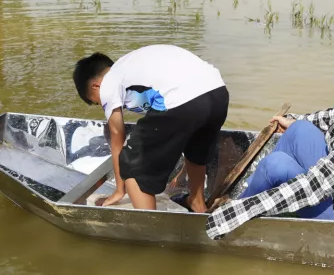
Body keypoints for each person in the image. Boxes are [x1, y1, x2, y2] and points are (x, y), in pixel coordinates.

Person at [205, 40, 334, 239]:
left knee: (273, 165)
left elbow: (313, 187)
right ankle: (253, 191)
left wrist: (239, 212)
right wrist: (295, 120)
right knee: (299, 129)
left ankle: (241, 207)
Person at [72, 45, 229, 213]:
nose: (101, 104)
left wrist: (119, 190)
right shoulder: (131, 67)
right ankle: (197, 204)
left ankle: (151, 227)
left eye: (96, 102)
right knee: (195, 151)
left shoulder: (109, 81)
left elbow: (117, 133)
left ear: (96, 86)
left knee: (132, 165)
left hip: (182, 101)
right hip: (217, 93)